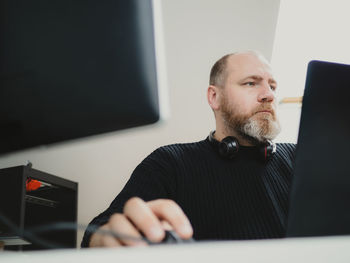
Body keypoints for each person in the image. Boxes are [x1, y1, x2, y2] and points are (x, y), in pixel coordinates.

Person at [81, 51, 296, 247]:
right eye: (251, 83)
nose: (269, 95)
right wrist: (104, 239)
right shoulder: (170, 162)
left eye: (273, 86)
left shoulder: (301, 159)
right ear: (214, 97)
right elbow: (99, 230)